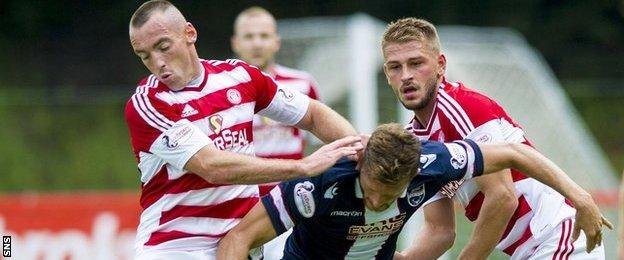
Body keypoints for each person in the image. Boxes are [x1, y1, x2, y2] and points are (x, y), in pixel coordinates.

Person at [125, 1, 362, 259]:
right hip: (176, 247)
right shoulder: (148, 103)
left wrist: (359, 150)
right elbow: (212, 167)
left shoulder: (239, 76)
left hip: (242, 243)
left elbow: (313, 115)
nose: (157, 63)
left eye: (163, 47)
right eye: (144, 55)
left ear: (189, 34)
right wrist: (304, 167)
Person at [381, 18, 609, 259]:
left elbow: (502, 197)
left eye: (416, 63)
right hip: (532, 251)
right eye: (395, 67)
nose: (406, 75)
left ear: (440, 65)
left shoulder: (462, 107)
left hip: (559, 239)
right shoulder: (414, 143)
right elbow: (440, 231)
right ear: (387, 74)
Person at [217, 123, 610, 260]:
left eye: (390, 196)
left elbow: (512, 152)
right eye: (371, 191)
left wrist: (580, 197)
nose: (377, 203)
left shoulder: (432, 162)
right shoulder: (319, 181)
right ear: (360, 165)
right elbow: (238, 238)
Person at [230, 6, 321, 196]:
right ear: (235, 43)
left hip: (292, 194)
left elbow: (316, 141)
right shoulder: (219, 88)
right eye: (249, 37)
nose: (257, 43)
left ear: (276, 42)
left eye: (264, 36)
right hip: (241, 197)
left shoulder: (302, 84)